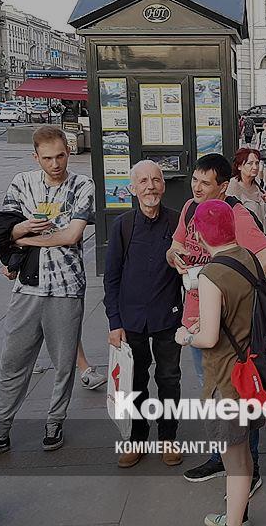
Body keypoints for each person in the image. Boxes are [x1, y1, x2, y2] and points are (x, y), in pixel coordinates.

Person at [0, 126, 95, 459]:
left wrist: (23, 238)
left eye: (60, 156)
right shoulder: (21, 182)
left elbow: (71, 236)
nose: (55, 164)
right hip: (27, 285)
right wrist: (20, 229)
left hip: (66, 285)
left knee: (64, 364)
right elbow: (3, 229)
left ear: (69, 153)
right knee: (12, 362)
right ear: (35, 157)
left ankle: (54, 423)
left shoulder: (83, 185)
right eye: (47, 158)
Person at [168, 153, 266, 494]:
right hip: (195, 317)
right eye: (195, 180)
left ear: (223, 186)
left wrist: (228, 287)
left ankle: (249, 467)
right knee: (214, 395)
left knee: (238, 395)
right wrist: (175, 256)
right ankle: (223, 458)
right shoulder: (190, 208)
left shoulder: (236, 215)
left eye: (206, 183)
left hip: (228, 329)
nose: (197, 188)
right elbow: (176, 245)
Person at [174, 199, 263, 526]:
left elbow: (209, 339)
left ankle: (234, 522)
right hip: (250, 373)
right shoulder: (247, 258)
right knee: (244, 454)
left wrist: (186, 336)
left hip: (225, 380)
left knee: (233, 461)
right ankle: (238, 516)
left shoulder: (211, 274)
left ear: (198, 233)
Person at [104, 160, 184, 468]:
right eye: (143, 181)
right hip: (131, 320)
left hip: (168, 317)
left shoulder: (177, 222)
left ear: (163, 185)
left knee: (169, 380)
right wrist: (114, 323)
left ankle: (168, 438)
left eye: (156, 180)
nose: (150, 187)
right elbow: (111, 277)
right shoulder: (122, 226)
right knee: (134, 382)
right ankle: (136, 439)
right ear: (133, 188)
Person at [226, 148, 266, 227]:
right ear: (239, 166)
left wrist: (265, 200)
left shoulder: (256, 186)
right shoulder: (233, 186)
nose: (255, 167)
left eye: (257, 163)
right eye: (250, 163)